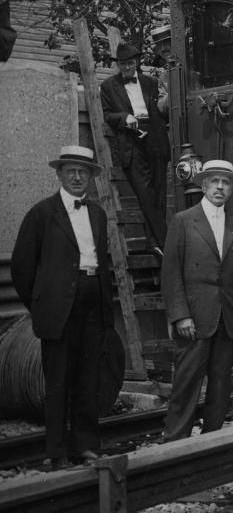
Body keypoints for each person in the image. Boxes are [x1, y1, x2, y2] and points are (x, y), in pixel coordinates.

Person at [11, 146, 114, 467]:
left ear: (91, 177)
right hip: (58, 311)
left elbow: (104, 262)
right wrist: (42, 305)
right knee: (57, 384)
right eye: (71, 171)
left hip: (92, 303)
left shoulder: (97, 213)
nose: (77, 177)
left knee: (88, 379)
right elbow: (21, 267)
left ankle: (86, 446)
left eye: (83, 172)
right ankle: (56, 452)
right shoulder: (42, 214)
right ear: (59, 174)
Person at [161, 160, 233, 441]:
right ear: (203, 185)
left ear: (231, 190)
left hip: (228, 318)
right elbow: (171, 272)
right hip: (195, 318)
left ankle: (211, 440)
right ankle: (175, 442)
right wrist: (180, 315)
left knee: (221, 383)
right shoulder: (183, 220)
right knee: (186, 382)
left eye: (225, 183)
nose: (220, 187)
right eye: (214, 181)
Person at [100, 42, 170, 254]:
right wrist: (124, 117)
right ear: (118, 65)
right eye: (122, 64)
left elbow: (161, 111)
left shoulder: (151, 82)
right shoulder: (108, 86)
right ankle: (166, 243)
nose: (127, 67)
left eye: (130, 63)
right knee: (145, 194)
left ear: (137, 62)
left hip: (155, 139)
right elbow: (108, 115)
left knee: (158, 193)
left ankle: (154, 243)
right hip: (132, 142)